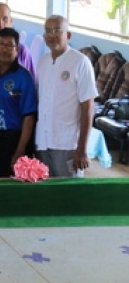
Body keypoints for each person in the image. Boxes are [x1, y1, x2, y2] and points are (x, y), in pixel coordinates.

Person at [35, 15, 96, 178]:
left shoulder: (80, 62)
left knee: (70, 197)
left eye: (57, 31)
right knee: (47, 195)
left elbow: (88, 108)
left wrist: (82, 149)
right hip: (43, 142)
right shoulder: (42, 62)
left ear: (68, 35)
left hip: (68, 144)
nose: (52, 35)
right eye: (48, 31)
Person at [0, 27, 37, 178]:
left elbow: (29, 117)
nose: (4, 49)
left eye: (9, 45)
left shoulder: (24, 77)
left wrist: (20, 150)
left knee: (6, 184)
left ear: (17, 49)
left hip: (10, 141)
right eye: (1, 44)